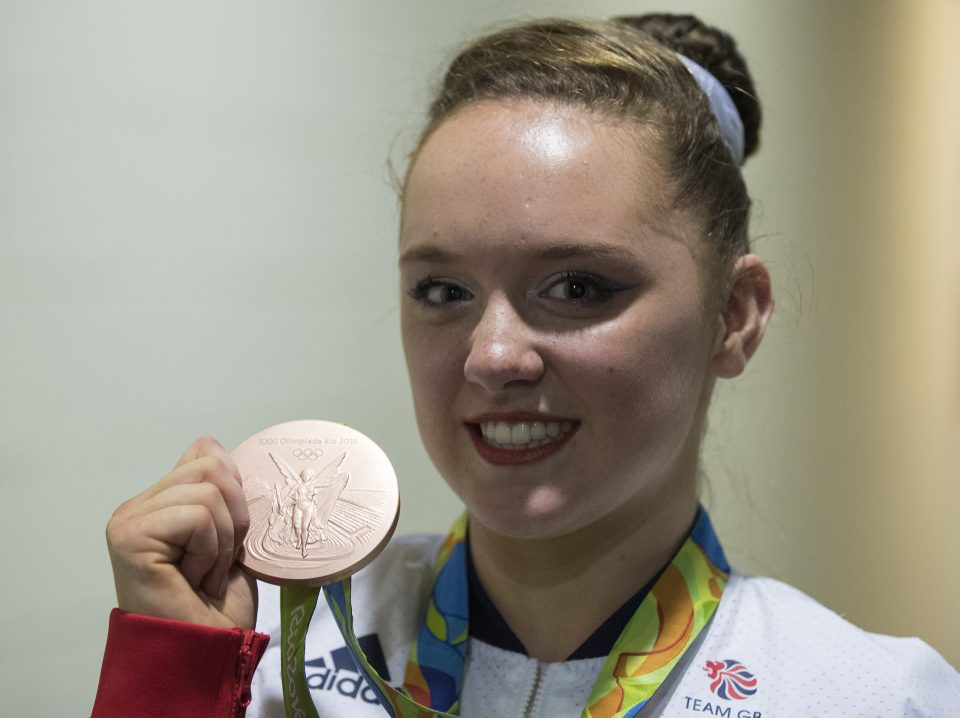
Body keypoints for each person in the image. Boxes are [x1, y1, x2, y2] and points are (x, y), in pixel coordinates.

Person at [92, 13, 960, 718]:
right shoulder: (276, 656)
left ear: (733, 317)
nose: (493, 355)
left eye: (577, 286)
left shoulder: (871, 697)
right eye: (441, 289)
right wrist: (171, 681)